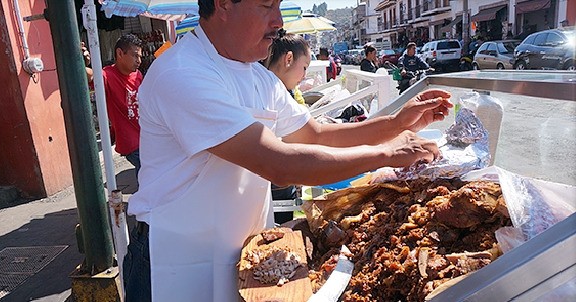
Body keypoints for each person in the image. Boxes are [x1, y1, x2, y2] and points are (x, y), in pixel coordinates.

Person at [124, 1, 453, 301]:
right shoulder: (183, 72)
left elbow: (314, 135)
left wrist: (396, 124)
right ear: (223, 4)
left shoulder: (258, 77)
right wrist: (386, 154)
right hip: (172, 258)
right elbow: (278, 163)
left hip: (239, 252)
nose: (278, 21)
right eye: (267, 6)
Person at [262, 31, 312, 223]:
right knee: (280, 230)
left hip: (281, 185)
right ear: (289, 59)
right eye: (304, 67)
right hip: (276, 188)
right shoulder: (270, 90)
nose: (304, 76)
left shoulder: (280, 91)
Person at [102, 34, 143, 178]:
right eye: (135, 56)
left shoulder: (137, 74)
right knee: (148, 172)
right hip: (130, 141)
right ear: (120, 53)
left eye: (140, 57)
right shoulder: (107, 75)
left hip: (145, 136)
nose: (139, 61)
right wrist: (84, 62)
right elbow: (91, 76)